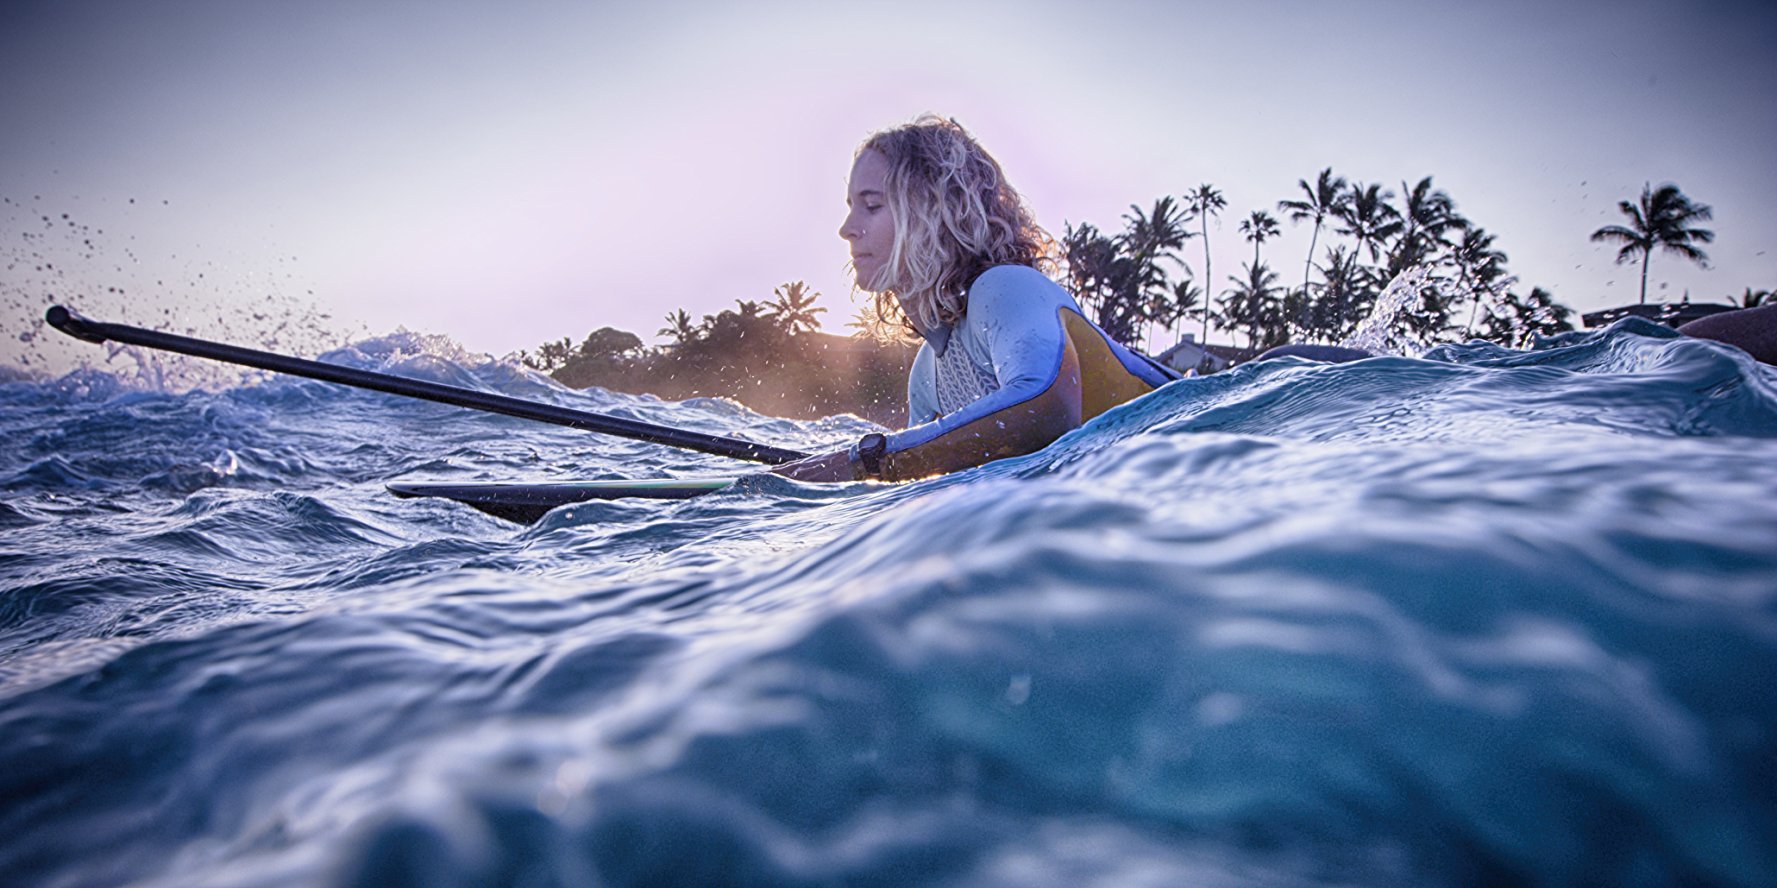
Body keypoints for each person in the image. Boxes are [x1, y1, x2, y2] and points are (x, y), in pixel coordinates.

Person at [771, 116, 1178, 483]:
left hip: (1208, 449)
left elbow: (1047, 409)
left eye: (872, 205)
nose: (847, 229)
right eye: (850, 207)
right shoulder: (926, 374)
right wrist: (813, 480)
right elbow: (922, 477)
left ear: (935, 210)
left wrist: (867, 461)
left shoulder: (1007, 289)